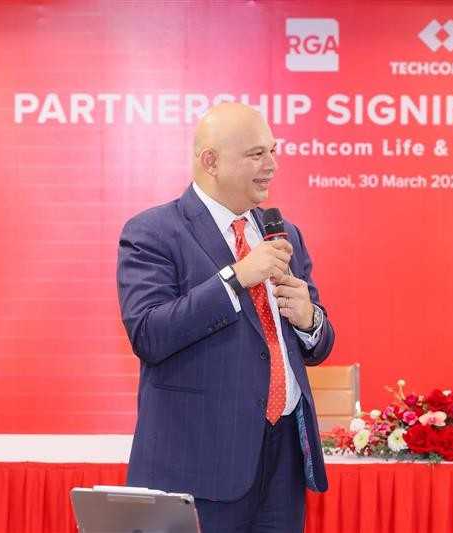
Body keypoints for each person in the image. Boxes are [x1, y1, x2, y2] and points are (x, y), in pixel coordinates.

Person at [116, 102, 335, 532]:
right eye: (256, 154)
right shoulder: (153, 232)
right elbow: (149, 334)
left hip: (283, 462)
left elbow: (317, 346)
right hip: (200, 464)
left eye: (273, 151)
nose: (271, 165)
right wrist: (234, 279)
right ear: (210, 161)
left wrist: (310, 321)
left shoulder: (283, 233)